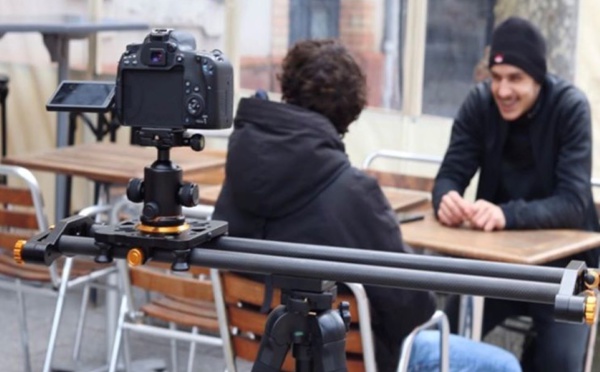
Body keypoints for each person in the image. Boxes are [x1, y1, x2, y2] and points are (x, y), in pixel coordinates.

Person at [214, 38, 522, 372]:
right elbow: (413, 310)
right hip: (352, 360)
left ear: (287, 88)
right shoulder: (353, 193)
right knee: (500, 364)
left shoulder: (240, 168)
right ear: (351, 112)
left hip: (263, 351)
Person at [432, 17, 599, 372]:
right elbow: (449, 175)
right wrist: (445, 198)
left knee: (562, 363)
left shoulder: (570, 108)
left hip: (566, 273)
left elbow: (574, 203)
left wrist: (505, 215)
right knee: (440, 339)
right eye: (496, 77)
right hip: (497, 268)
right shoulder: (479, 103)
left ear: (538, 78)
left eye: (515, 78)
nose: (502, 90)